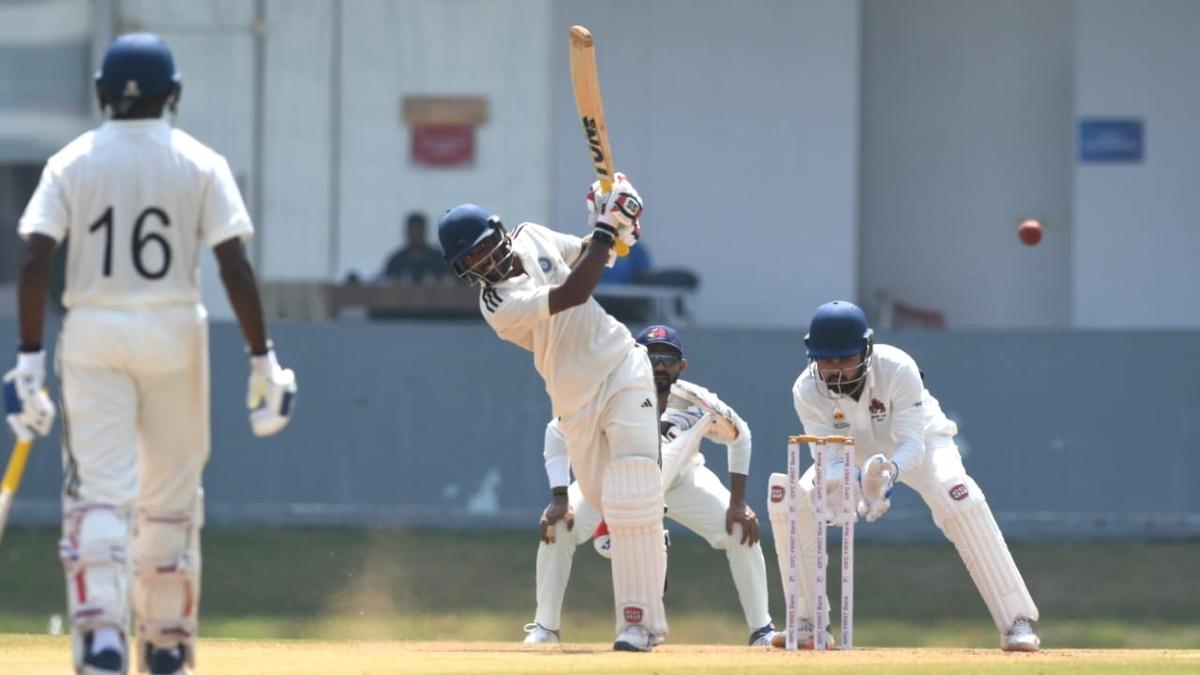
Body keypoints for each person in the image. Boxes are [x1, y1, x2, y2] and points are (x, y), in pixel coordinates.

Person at [5, 33, 297, 675]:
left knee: (99, 492)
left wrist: (27, 361)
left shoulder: (70, 162)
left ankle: (102, 640)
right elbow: (234, 267)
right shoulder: (200, 161)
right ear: (175, 95)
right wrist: (262, 359)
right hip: (173, 331)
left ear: (101, 93)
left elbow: (33, 261)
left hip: (93, 332)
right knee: (170, 494)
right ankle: (164, 643)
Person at [437, 173, 667, 652]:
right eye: (471, 260)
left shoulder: (532, 234)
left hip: (623, 365)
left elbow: (587, 253)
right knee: (613, 507)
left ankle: (638, 626)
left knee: (634, 489)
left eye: (484, 247)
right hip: (574, 400)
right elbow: (572, 293)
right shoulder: (497, 303)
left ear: (499, 232)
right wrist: (607, 227)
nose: (483, 261)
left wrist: (619, 227)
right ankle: (645, 545)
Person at [766, 300, 1040, 651]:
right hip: (851, 450)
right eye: (826, 361)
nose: (836, 371)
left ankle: (1016, 622)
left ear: (866, 349)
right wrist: (843, 484)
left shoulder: (897, 367)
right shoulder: (806, 389)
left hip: (921, 443)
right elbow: (828, 457)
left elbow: (913, 444)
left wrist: (887, 474)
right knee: (796, 500)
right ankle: (808, 622)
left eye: (845, 359)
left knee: (959, 495)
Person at [524, 324, 776, 647]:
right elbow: (556, 432)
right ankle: (545, 628)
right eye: (650, 357)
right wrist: (560, 498)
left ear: (681, 366)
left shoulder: (696, 401)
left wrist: (738, 504)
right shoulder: (606, 395)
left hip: (682, 481)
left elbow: (740, 436)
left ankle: (762, 630)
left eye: (667, 360)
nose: (659, 366)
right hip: (615, 484)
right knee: (558, 527)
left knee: (741, 528)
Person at [380, 211, 449, 284]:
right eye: (413, 231)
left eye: (418, 231)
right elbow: (389, 282)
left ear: (424, 231)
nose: (415, 235)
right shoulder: (396, 260)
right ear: (407, 232)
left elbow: (446, 281)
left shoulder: (437, 258)